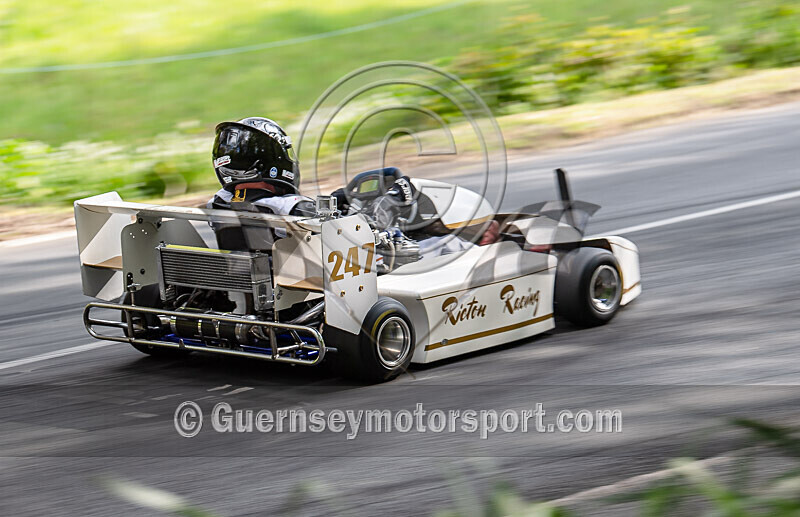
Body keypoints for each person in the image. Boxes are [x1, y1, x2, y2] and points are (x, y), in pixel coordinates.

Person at [207, 117, 315, 250]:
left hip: (237, 269)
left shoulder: (219, 203)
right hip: (287, 270)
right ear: (269, 161)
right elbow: (336, 227)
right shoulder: (288, 208)